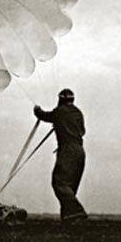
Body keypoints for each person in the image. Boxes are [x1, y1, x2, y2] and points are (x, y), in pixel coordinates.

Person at [33, 89, 87, 222]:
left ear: (60, 100)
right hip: (80, 151)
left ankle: (76, 212)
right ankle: (69, 218)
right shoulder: (78, 112)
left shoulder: (59, 112)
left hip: (67, 150)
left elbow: (44, 115)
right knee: (71, 186)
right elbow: (82, 131)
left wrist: (37, 110)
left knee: (60, 182)